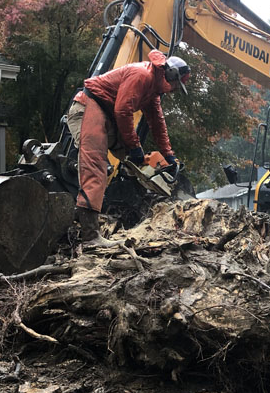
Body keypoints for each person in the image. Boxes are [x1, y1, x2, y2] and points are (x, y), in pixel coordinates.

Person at [67, 50, 190, 246]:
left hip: (107, 115)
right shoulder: (142, 75)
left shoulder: (153, 91)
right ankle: (90, 236)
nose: (175, 90)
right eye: (177, 85)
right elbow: (122, 110)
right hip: (88, 107)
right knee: (96, 164)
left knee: (134, 162)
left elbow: (157, 123)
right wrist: (134, 146)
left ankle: (134, 200)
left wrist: (169, 155)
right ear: (171, 75)